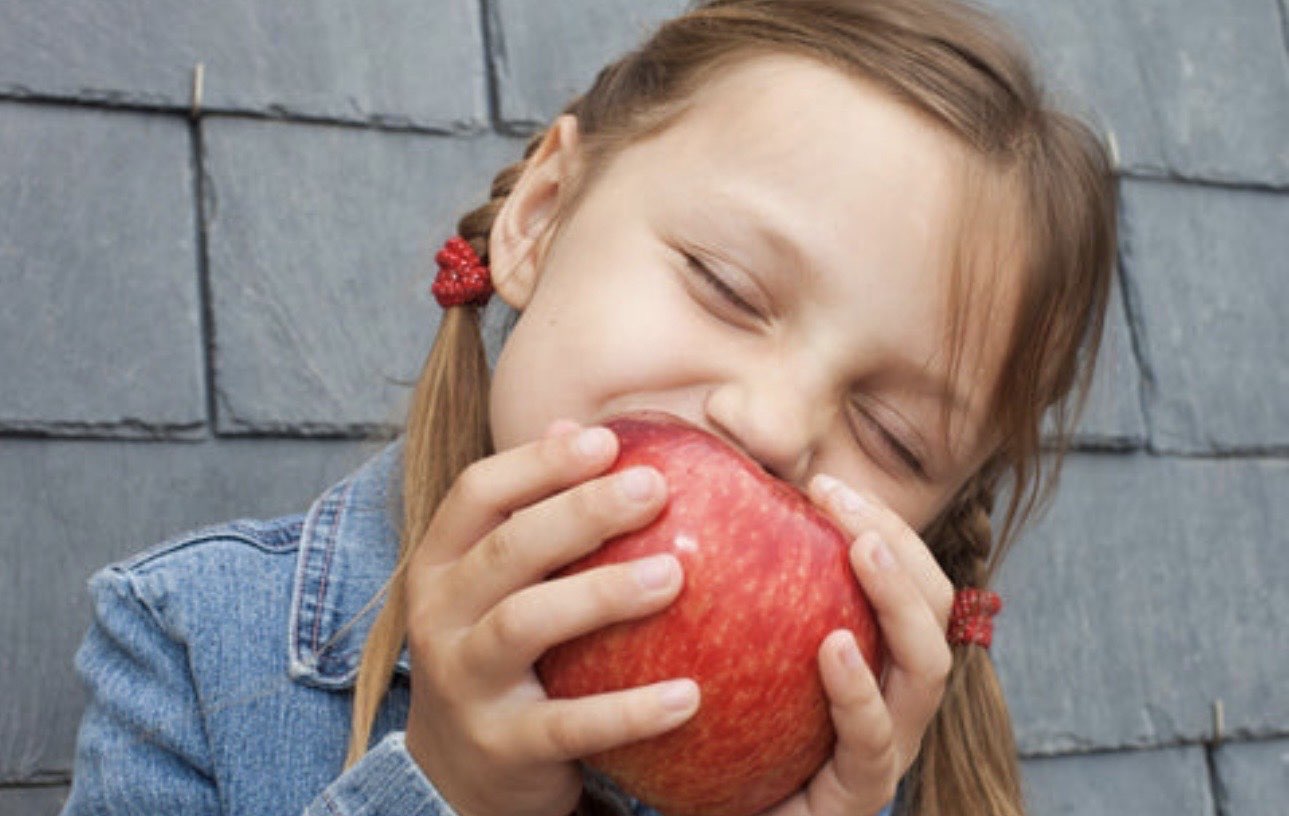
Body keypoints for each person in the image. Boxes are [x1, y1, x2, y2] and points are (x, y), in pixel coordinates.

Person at [61, 1, 1117, 814]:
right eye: (727, 287)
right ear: (541, 215)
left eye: (891, 437)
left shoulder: (895, 778)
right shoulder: (192, 651)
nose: (774, 425)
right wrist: (444, 795)